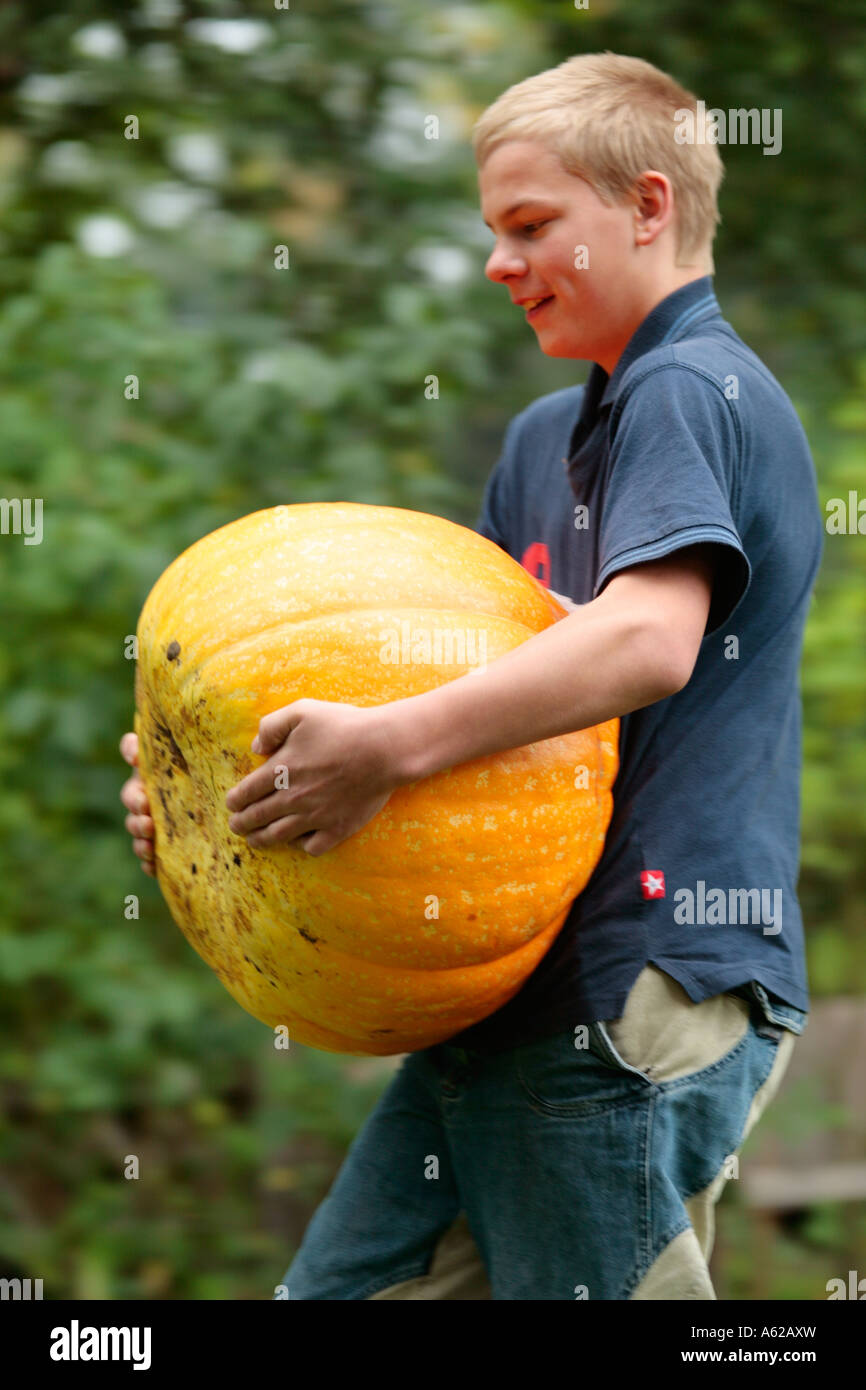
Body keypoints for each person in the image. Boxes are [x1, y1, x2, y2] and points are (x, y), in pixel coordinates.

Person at [120, 52, 823, 1299]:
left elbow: (646, 640)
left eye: (531, 226)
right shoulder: (542, 438)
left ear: (648, 208)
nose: (500, 262)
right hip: (508, 980)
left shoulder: (691, 389)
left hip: (639, 968)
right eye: (492, 232)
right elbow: (484, 721)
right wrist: (232, 792)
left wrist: (382, 749)